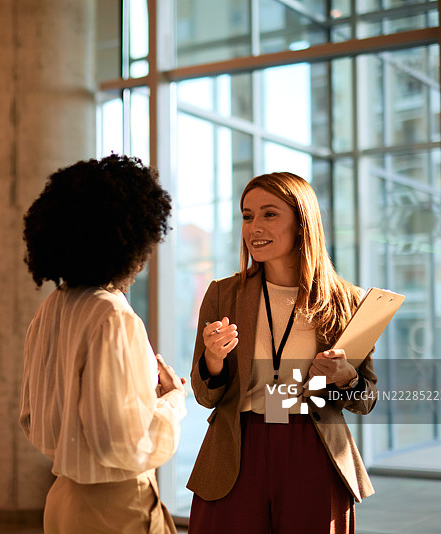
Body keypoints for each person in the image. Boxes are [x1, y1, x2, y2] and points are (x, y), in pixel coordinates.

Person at [187, 172, 378, 534]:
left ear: (301, 221)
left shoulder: (347, 300)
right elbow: (204, 394)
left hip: (314, 444)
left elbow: (364, 398)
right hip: (237, 447)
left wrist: (345, 377)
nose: (254, 226)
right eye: (247, 216)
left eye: (269, 214)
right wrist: (213, 359)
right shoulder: (222, 294)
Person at [19, 154, 187, 534]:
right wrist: (171, 401)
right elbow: (125, 444)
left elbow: (32, 421)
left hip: (62, 501)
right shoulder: (113, 316)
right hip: (115, 508)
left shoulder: (51, 308)